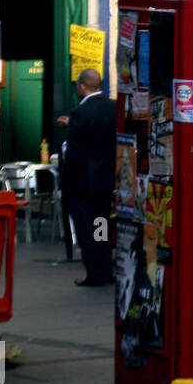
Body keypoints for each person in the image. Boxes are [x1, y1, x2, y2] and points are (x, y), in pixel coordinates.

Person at [60, 68, 116, 286]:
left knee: (85, 228)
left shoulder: (79, 113)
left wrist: (65, 181)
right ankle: (105, 268)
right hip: (104, 181)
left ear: (82, 87)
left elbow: (73, 152)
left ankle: (94, 271)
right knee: (101, 225)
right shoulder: (113, 108)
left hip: (82, 184)